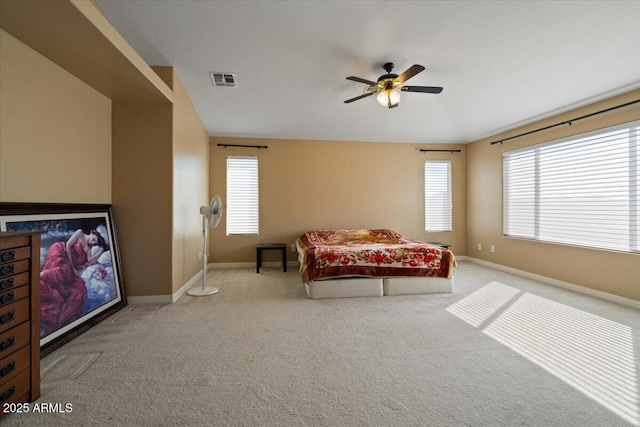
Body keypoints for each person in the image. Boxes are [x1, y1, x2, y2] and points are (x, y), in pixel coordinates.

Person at [39, 229, 108, 337]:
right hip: (60, 251)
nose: (93, 243)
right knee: (64, 271)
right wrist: (72, 266)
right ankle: (43, 275)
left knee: (73, 287)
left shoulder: (89, 249)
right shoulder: (80, 233)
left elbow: (91, 260)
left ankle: (44, 277)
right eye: (94, 240)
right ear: (92, 233)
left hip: (66, 263)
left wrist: (100, 251)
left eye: (96, 243)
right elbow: (68, 246)